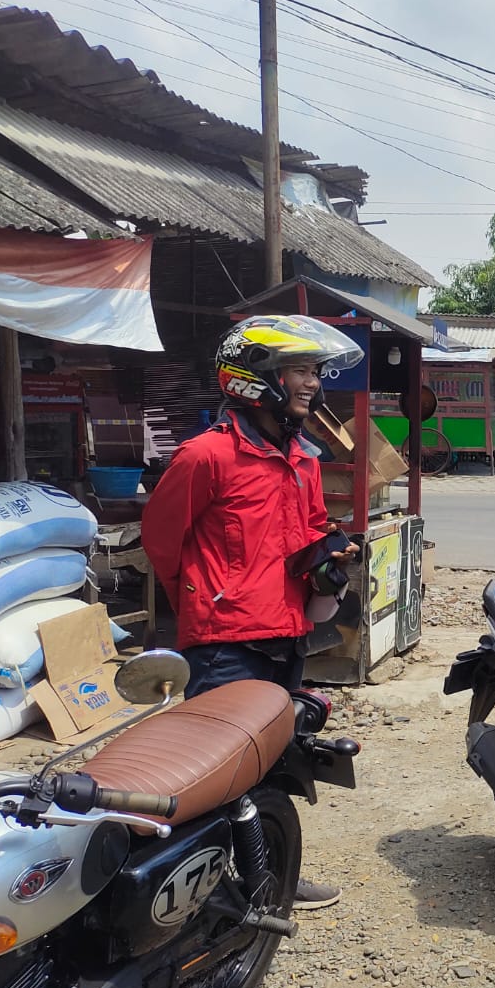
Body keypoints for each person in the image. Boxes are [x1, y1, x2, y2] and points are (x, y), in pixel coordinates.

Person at [142, 313, 364, 911]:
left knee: (270, 764)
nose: (313, 383)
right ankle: (198, 894)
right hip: (225, 644)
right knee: (214, 772)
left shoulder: (303, 459)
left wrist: (328, 552)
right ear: (257, 378)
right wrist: (208, 600)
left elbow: (308, 529)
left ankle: (269, 876)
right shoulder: (205, 457)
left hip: (287, 632)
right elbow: (162, 541)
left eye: (315, 371)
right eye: (300, 370)